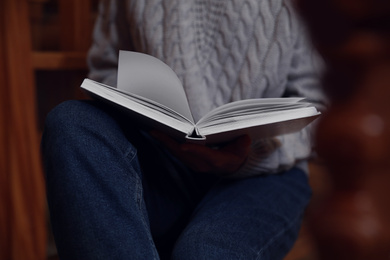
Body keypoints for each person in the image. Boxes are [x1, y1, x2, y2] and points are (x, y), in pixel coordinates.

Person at [41, 0, 325, 259]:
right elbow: (108, 70)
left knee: (204, 252)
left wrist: (250, 156)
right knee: (71, 122)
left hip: (266, 171)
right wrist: (153, 117)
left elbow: (321, 105)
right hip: (162, 157)